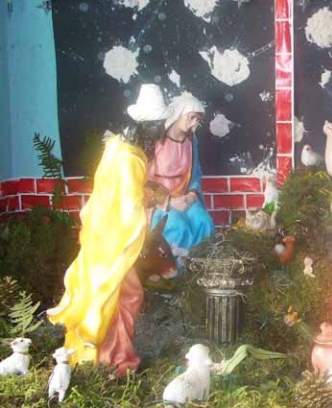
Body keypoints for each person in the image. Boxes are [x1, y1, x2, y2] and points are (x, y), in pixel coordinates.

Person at [47, 84, 170, 374]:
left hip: (102, 235)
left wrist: (146, 189)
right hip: (115, 240)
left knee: (108, 293)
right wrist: (149, 202)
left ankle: (103, 354)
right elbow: (128, 206)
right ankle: (113, 358)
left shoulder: (117, 147)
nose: (160, 132)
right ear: (146, 125)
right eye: (157, 125)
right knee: (124, 294)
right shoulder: (130, 158)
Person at [147, 92, 214, 262]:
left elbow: (195, 172)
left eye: (198, 119)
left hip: (184, 198)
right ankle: (176, 271)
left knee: (203, 221)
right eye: (191, 117)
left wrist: (191, 195)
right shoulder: (155, 141)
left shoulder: (191, 142)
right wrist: (168, 201)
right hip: (157, 202)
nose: (195, 123)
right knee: (178, 226)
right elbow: (143, 181)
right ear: (178, 113)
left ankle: (200, 266)